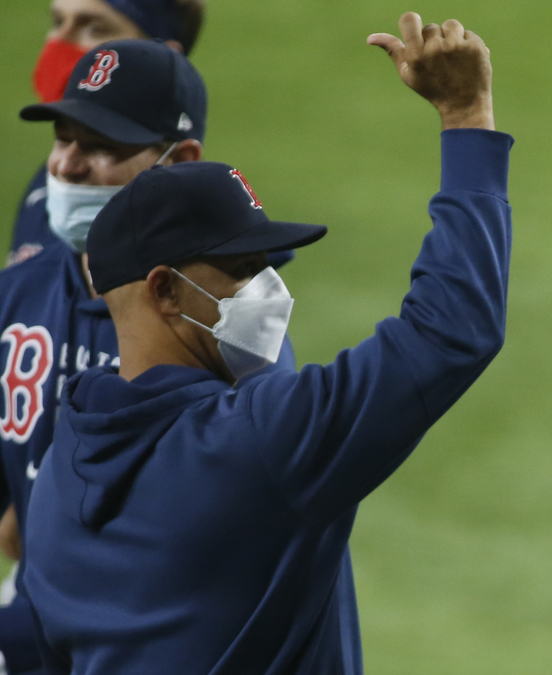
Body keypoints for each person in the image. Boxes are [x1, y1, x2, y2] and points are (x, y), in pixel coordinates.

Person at [22, 12, 510, 673]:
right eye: (243, 268)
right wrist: (466, 117)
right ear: (165, 291)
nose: (268, 287)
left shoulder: (60, 470)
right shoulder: (260, 442)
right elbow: (453, 328)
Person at [0, 39, 219, 675]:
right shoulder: (18, 293)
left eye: (100, 146)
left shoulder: (217, 332)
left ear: (180, 162)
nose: (66, 165)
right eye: (62, 137)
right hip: (40, 627)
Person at [14, 0, 208, 266]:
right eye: (58, 22)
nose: (59, 42)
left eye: (94, 28)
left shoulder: (210, 274)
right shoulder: (51, 184)